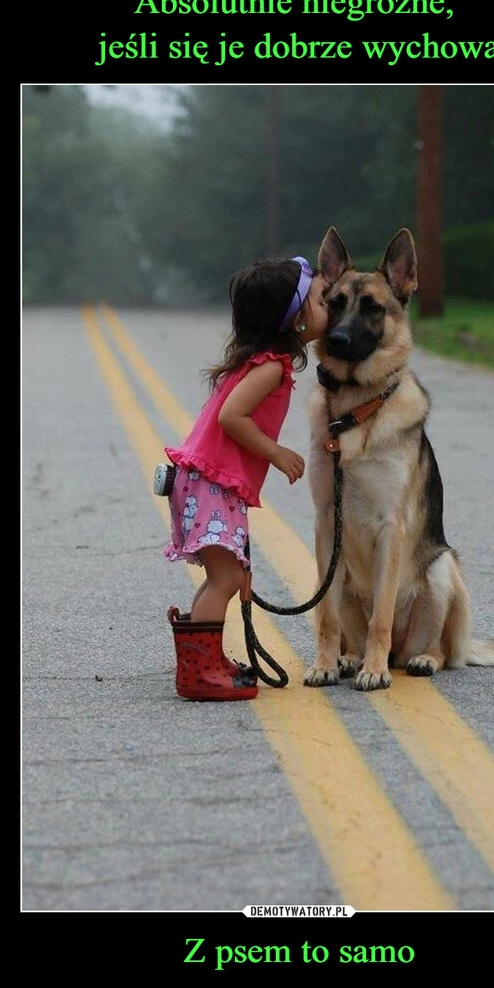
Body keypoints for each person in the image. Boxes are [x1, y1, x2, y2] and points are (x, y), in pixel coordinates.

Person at [162, 255, 328, 701]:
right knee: (226, 580)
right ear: (295, 321)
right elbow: (234, 416)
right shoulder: (270, 367)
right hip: (210, 484)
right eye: (321, 300)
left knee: (226, 577)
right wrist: (275, 453)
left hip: (206, 482)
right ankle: (198, 673)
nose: (330, 305)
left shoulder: (263, 361)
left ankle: (204, 660)